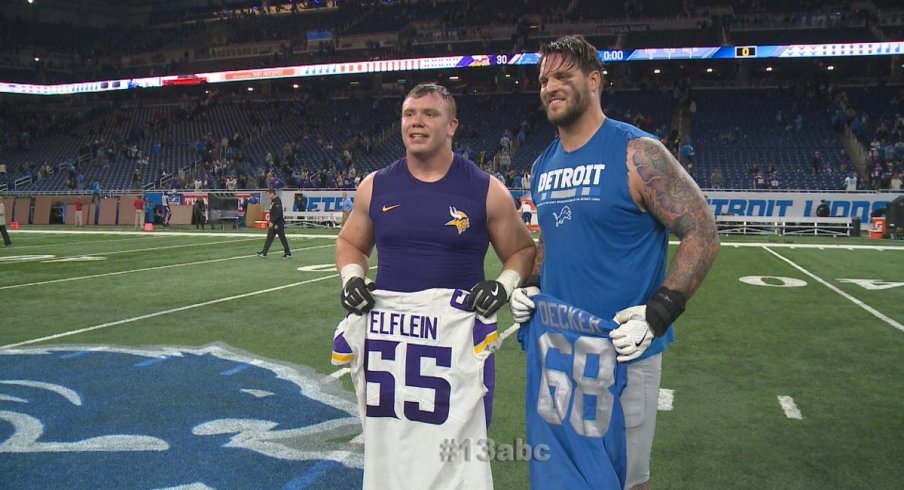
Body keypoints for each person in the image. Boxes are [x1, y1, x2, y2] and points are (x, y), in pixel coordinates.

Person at [509, 36, 720, 490]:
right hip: (559, 354)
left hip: (624, 353)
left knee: (626, 480)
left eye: (562, 76)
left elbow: (703, 232)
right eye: (544, 79)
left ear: (594, 80)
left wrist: (658, 313)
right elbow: (554, 240)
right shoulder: (543, 166)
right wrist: (530, 284)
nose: (550, 86)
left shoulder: (638, 153)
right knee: (562, 475)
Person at [334, 83, 536, 487]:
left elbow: (522, 251)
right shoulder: (376, 185)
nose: (416, 122)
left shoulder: (485, 189)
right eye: (409, 114)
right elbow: (351, 242)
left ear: (452, 126)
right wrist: (352, 277)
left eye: (429, 114)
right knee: (391, 454)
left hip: (455, 350)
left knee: (457, 456)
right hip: (391, 352)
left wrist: (504, 284)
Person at [257, 189, 291, 258]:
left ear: (272, 193)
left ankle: (288, 253)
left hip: (278, 224)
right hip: (275, 223)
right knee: (270, 237)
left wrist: (273, 222)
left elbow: (278, 214)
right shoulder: (273, 201)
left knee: (282, 238)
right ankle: (264, 252)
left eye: (269, 194)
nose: (268, 196)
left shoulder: (277, 201)